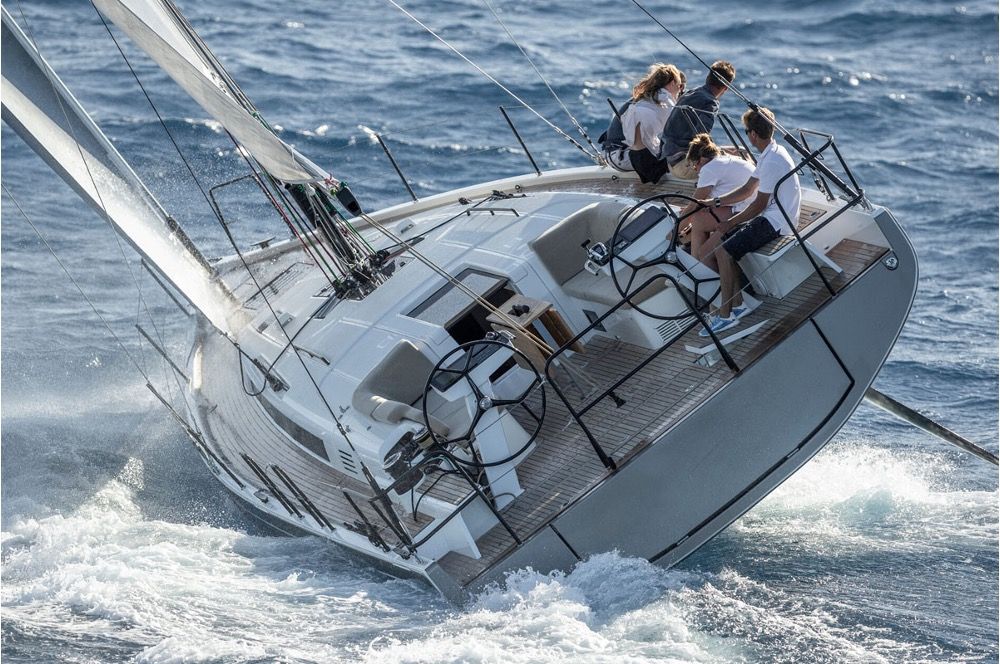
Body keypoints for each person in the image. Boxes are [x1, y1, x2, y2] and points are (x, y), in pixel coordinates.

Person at [696, 107, 802, 337]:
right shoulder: (771, 152)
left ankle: (726, 316)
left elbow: (758, 205)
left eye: (746, 132)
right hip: (770, 215)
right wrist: (715, 202)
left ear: (753, 134)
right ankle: (739, 304)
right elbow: (747, 189)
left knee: (724, 251)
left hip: (776, 222)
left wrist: (730, 222)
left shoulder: (772, 160)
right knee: (720, 245)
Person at [675, 133, 754, 268]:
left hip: (746, 210)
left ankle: (695, 270)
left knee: (697, 222)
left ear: (701, 160)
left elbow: (695, 204)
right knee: (697, 216)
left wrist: (673, 233)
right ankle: (696, 266)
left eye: (694, 165)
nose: (695, 170)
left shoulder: (709, 169)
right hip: (748, 204)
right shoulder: (723, 160)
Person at [604, 63, 685, 182]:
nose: (680, 91)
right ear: (673, 83)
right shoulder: (664, 98)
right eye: (680, 86)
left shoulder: (648, 96)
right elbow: (678, 128)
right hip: (621, 155)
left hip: (612, 153)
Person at [658, 60, 736, 180]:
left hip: (669, 160)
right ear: (726, 88)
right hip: (683, 165)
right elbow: (702, 138)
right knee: (739, 163)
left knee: (737, 151)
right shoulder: (710, 102)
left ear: (708, 78)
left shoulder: (690, 93)